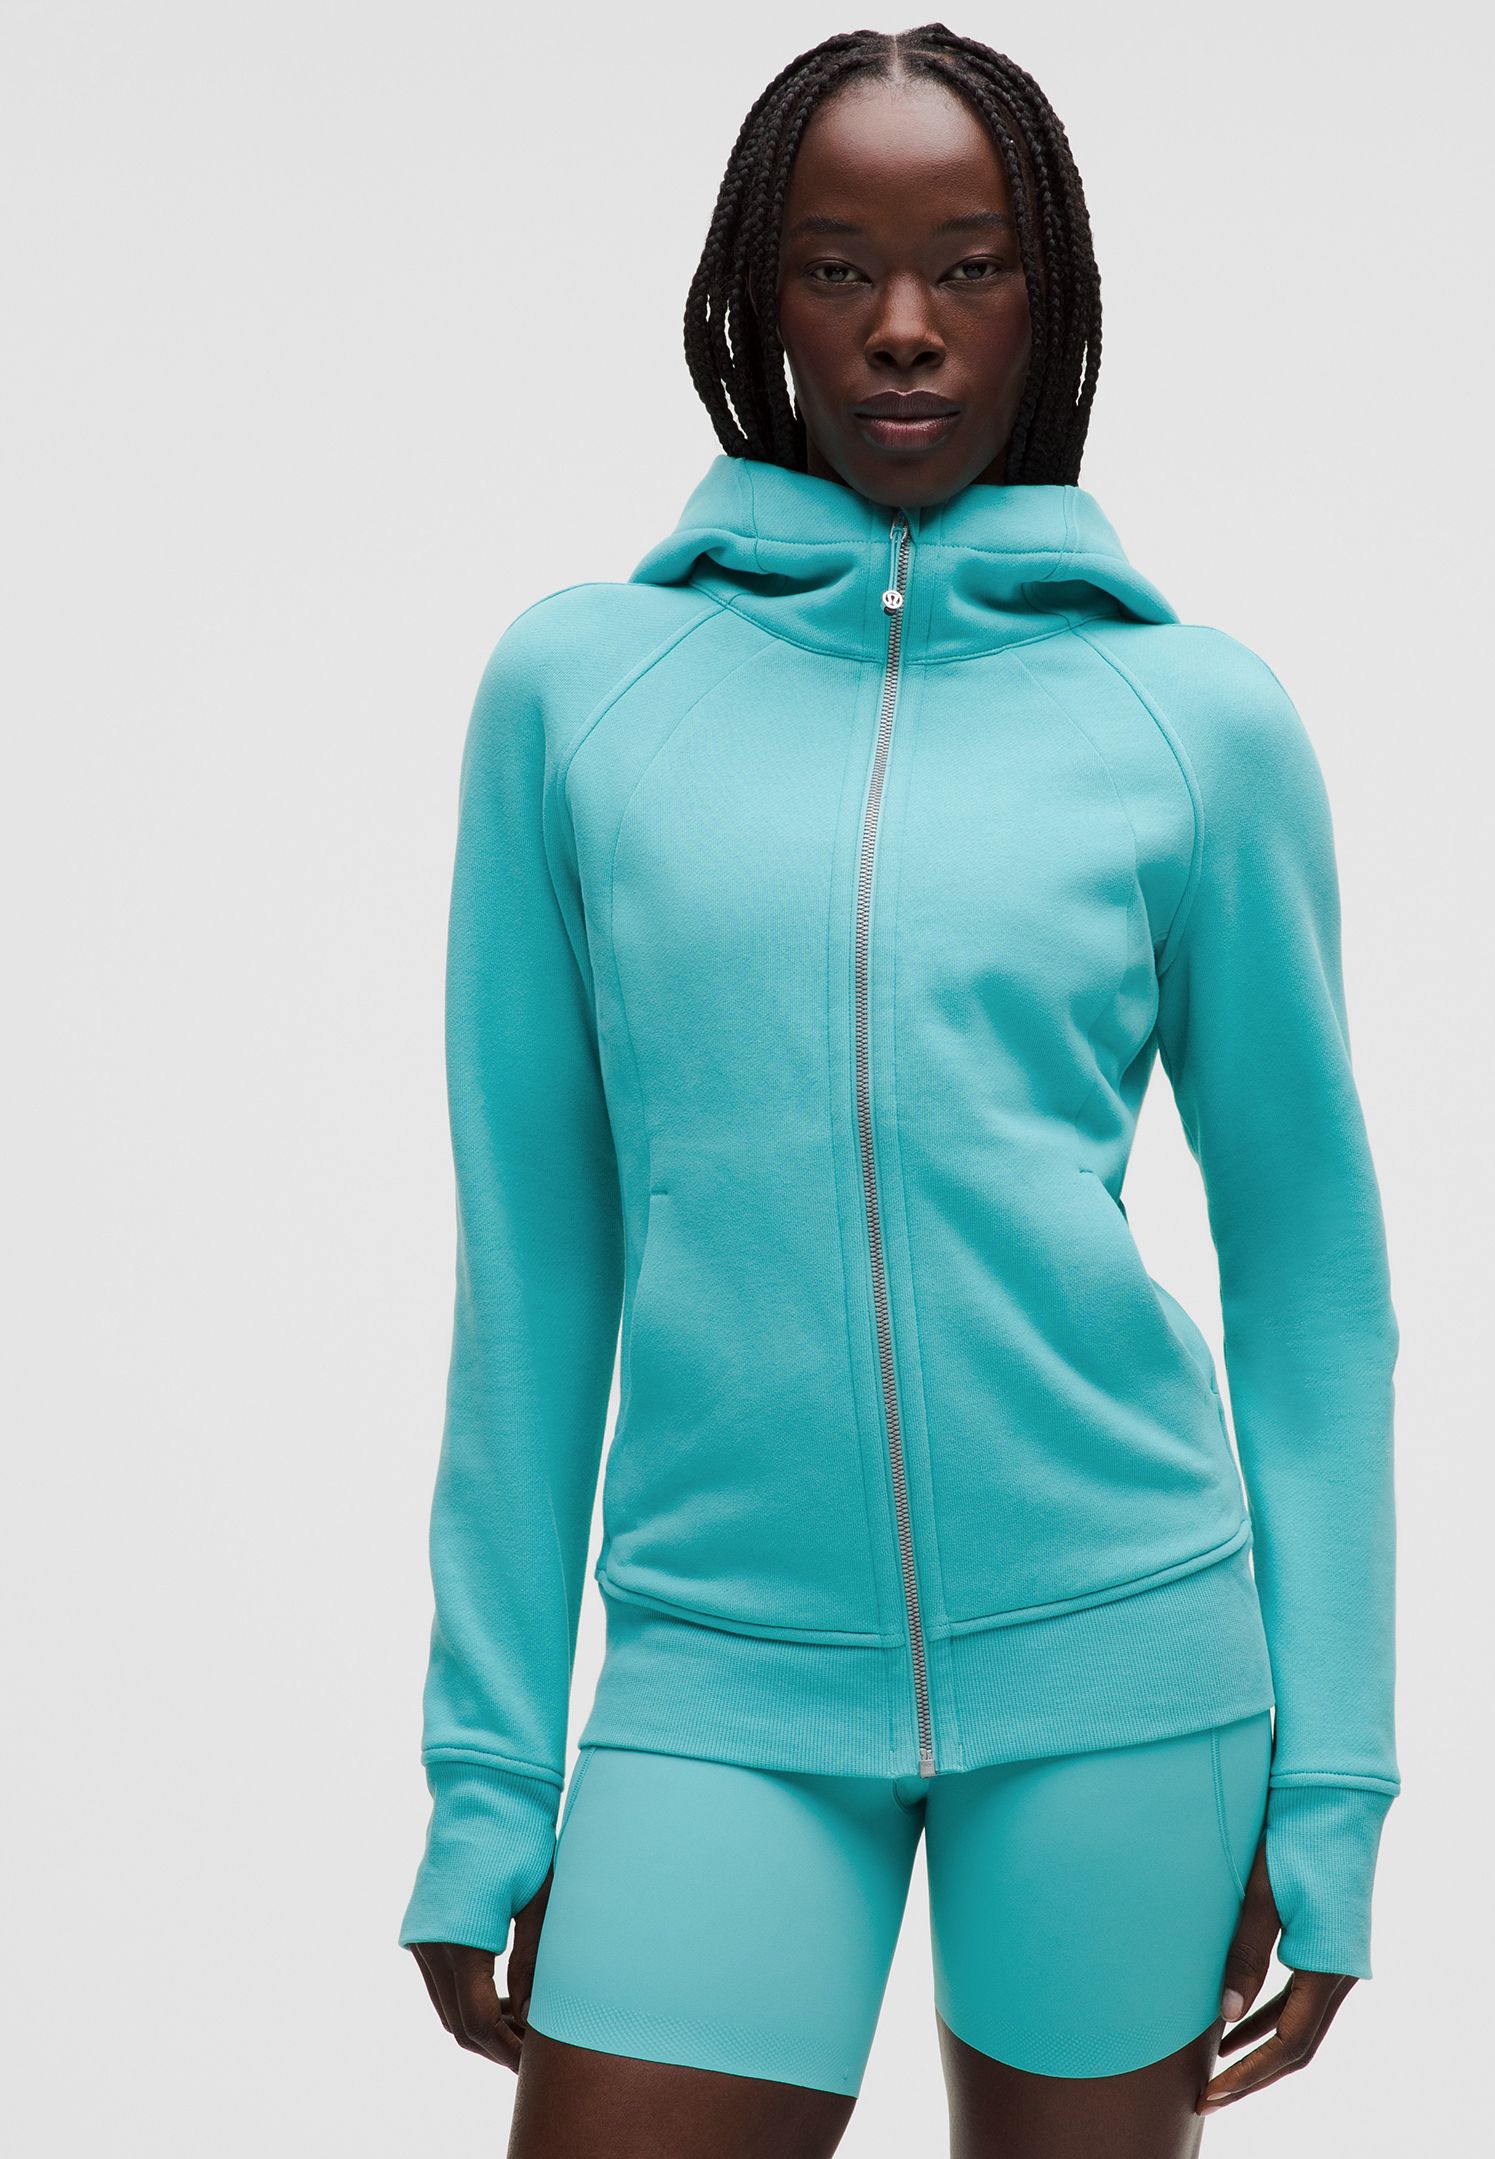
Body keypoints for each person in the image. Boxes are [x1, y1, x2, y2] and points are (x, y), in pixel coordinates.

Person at [398, 23, 1400, 2158]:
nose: (908, 326)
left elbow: (1313, 1282)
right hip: (720, 1679)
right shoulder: (586, 693)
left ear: (1056, 293)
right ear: (754, 298)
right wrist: (489, 1774)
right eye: (839, 268)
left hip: (1130, 1671)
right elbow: (535, 1264)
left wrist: (1334, 1783)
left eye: (970, 263)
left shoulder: (1194, 722)